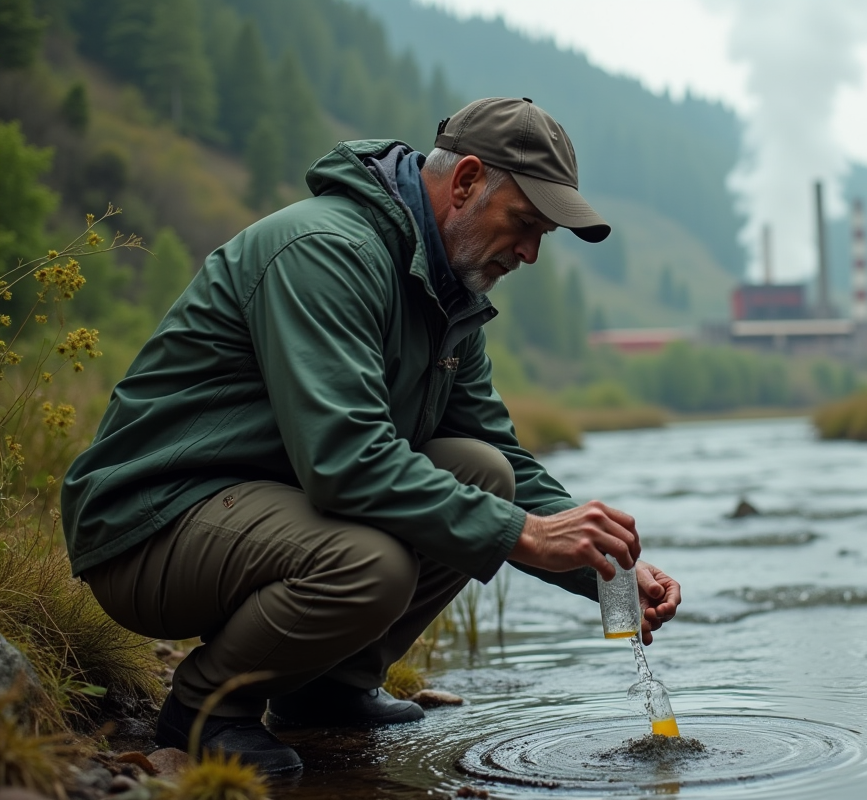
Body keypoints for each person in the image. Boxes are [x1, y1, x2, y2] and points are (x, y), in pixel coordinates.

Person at [61, 97, 681, 774]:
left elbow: (500, 456)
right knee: (371, 564)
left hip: (255, 503)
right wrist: (525, 534)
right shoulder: (328, 251)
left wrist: (607, 571)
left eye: (544, 236)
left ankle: (325, 688)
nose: (531, 253)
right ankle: (209, 710)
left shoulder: (449, 294)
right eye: (525, 223)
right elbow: (346, 463)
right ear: (467, 180)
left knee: (483, 473)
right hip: (150, 523)